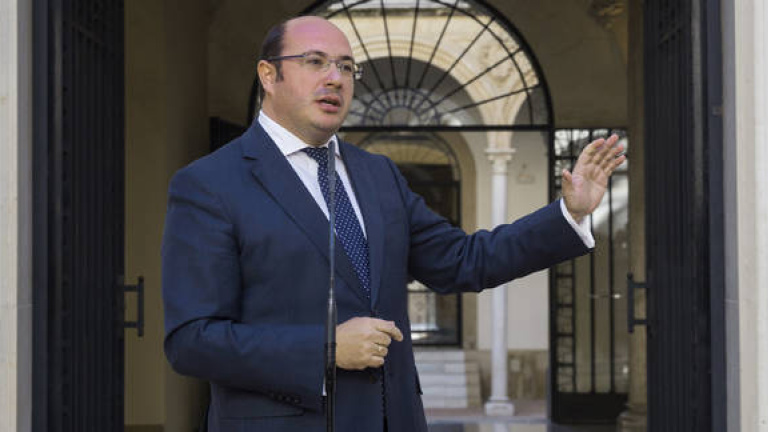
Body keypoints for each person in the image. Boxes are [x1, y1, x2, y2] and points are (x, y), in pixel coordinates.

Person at [161, 15, 625, 432]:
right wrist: (324, 350)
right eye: (315, 61)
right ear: (269, 75)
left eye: (347, 67)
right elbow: (192, 340)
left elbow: (463, 260)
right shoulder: (210, 184)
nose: (335, 78)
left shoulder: (377, 174)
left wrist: (569, 213)